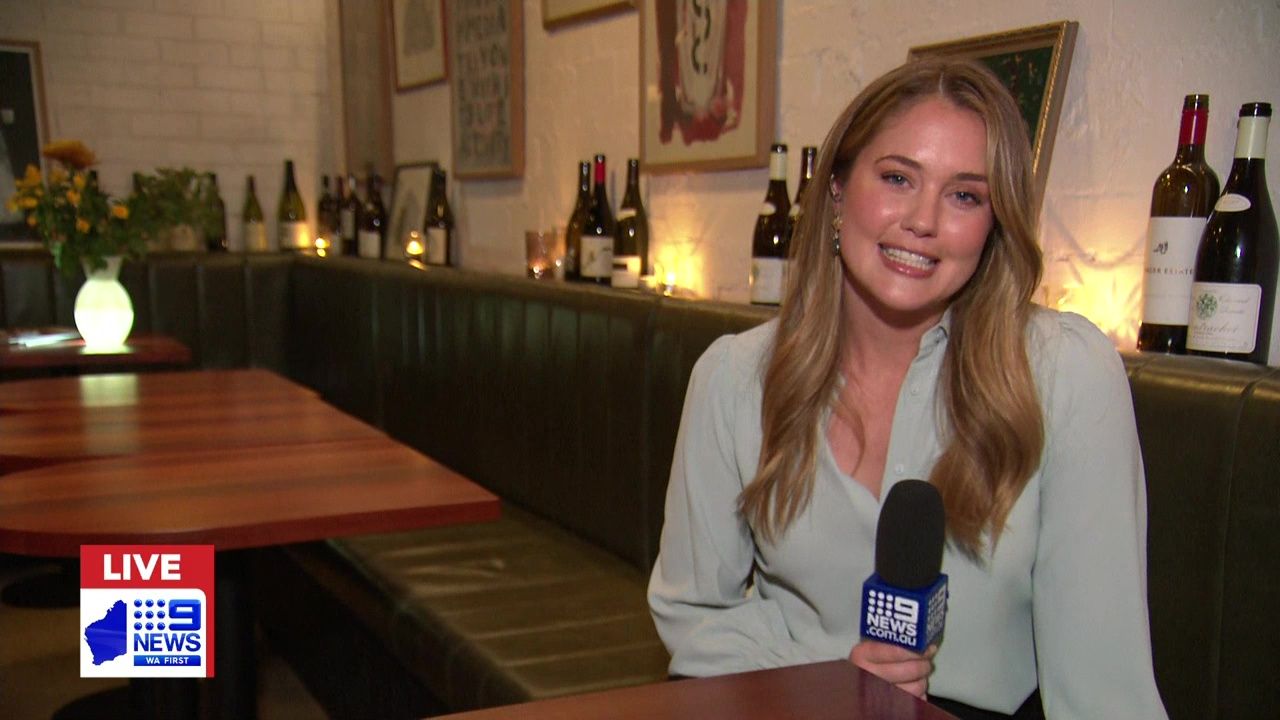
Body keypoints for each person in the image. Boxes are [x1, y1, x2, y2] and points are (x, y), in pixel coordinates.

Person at [647, 57, 1169, 720]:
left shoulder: (1066, 373)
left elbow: (1102, 687)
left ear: (994, 224)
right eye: (898, 178)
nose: (923, 220)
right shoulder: (732, 379)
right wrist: (826, 678)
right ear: (837, 188)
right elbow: (694, 615)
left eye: (965, 196)